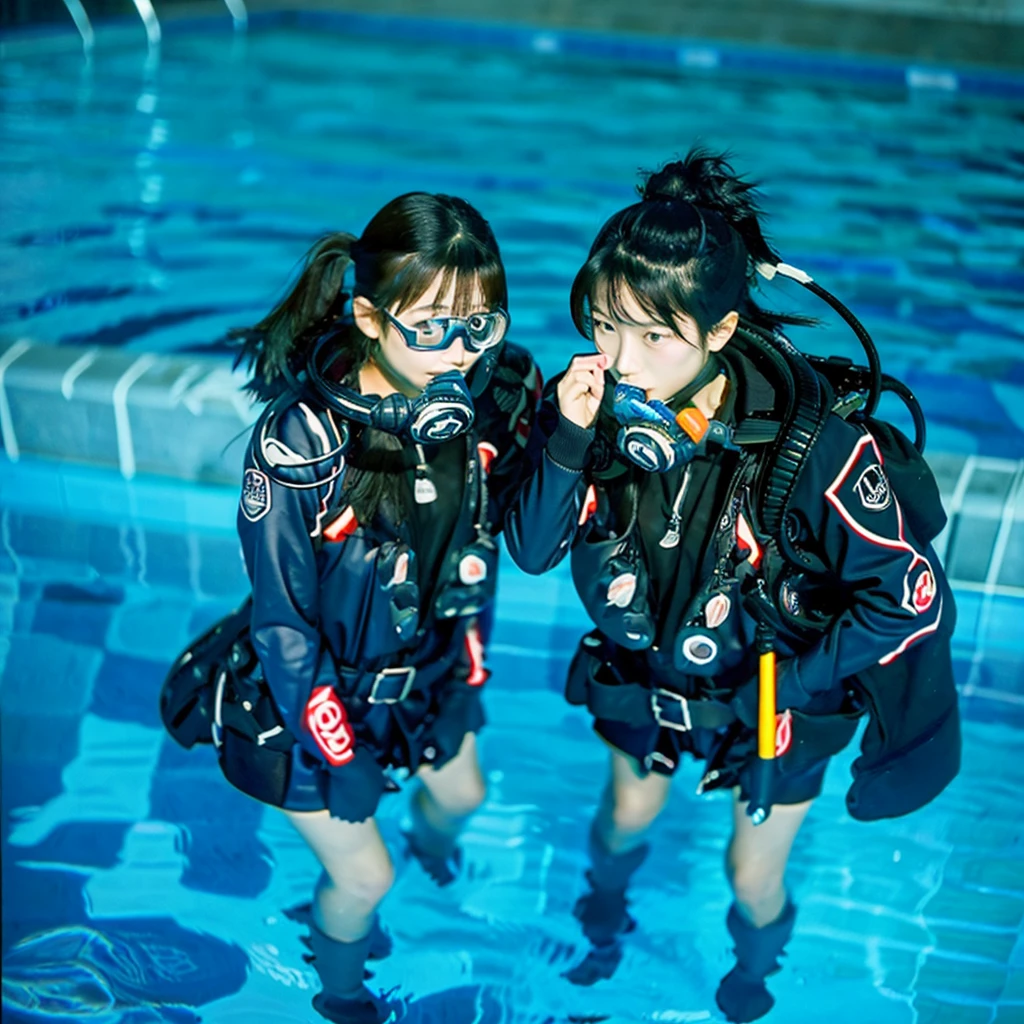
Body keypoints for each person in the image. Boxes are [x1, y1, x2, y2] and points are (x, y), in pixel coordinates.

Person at [503, 150, 959, 1022]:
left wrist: (793, 681)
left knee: (750, 876)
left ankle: (750, 987)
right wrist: (564, 437)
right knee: (624, 819)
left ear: (719, 332)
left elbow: (907, 594)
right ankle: (601, 922)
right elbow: (531, 551)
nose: (620, 360)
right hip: (649, 676)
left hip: (773, 696)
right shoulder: (590, 413)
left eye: (652, 336)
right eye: (604, 325)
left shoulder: (811, 447)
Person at [162, 193, 540, 1024]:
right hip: (307, 698)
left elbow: (476, 565)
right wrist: (338, 756)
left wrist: (466, 683)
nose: (459, 354)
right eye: (433, 327)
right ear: (368, 317)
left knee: (465, 793)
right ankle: (340, 996)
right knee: (367, 877)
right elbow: (284, 627)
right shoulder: (300, 442)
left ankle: (434, 873)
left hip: (422, 669)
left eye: (482, 326)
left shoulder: (484, 403)